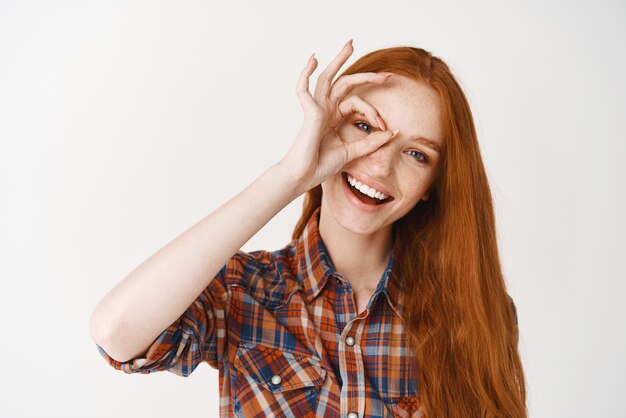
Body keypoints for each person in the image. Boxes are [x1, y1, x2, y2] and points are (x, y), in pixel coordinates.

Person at [90, 39, 527, 418]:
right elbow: (116, 331)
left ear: (434, 185)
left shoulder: (476, 312)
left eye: (416, 154)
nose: (379, 163)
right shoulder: (244, 291)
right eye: (364, 127)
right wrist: (291, 176)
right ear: (326, 131)